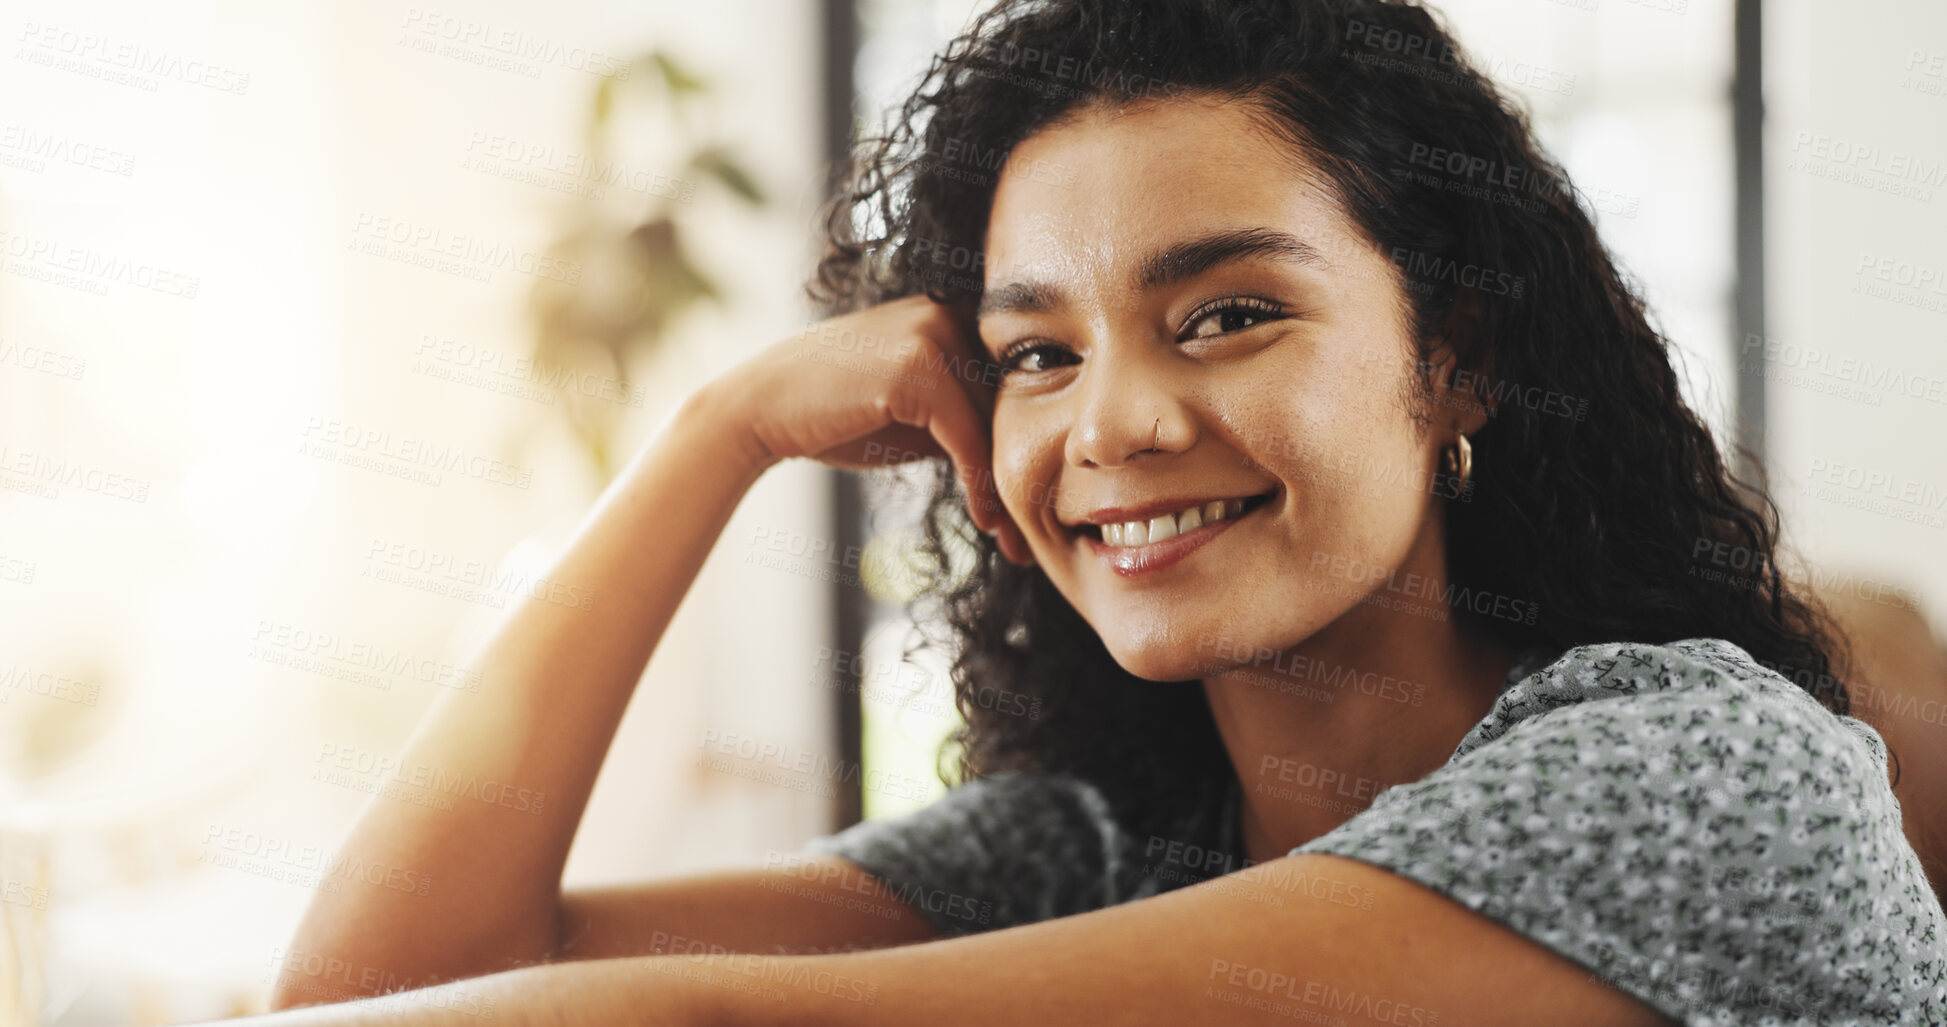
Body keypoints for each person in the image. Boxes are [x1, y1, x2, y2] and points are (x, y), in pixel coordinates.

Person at [234, 0, 1946, 1023]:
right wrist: (717, 431)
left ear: (1460, 361)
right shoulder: (1097, 855)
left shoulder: (1714, 777)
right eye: (1036, 354)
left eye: (1229, 315)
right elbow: (377, 988)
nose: (1115, 421)